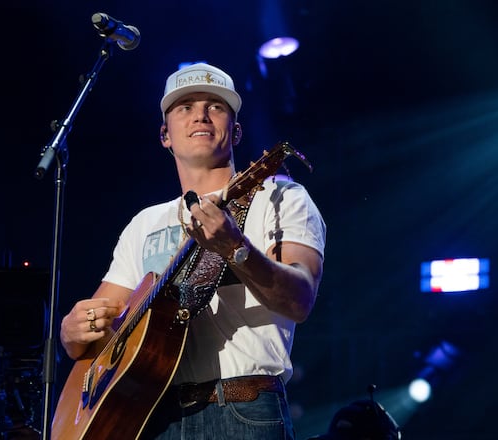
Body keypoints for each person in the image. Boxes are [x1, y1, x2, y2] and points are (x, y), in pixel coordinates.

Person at [59, 61, 326, 440]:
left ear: (235, 132)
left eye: (215, 106)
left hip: (241, 408)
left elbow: (300, 299)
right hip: (149, 416)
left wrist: (236, 248)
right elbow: (101, 335)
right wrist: (72, 334)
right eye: (185, 107)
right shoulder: (145, 223)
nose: (200, 114)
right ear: (165, 135)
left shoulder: (281, 197)